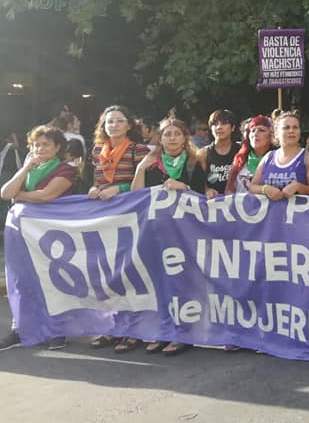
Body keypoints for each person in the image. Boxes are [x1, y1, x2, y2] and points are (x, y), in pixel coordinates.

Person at [0, 125, 77, 352]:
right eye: (36, 145)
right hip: (23, 235)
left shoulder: (66, 170)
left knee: (52, 282)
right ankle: (20, 328)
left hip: (53, 236)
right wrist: (24, 169)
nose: (40, 148)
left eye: (46, 144)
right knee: (21, 281)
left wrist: (20, 196)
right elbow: (5, 193)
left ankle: (57, 330)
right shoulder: (30, 168)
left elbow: (46, 196)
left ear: (57, 147)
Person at [130, 118, 202, 356]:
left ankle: (184, 333)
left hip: (185, 234)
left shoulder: (194, 162)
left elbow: (204, 198)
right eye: (167, 134)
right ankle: (164, 331)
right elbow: (136, 196)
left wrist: (183, 187)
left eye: (177, 134)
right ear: (159, 139)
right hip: (156, 232)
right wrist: (141, 168)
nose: (172, 138)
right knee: (159, 284)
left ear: (185, 138)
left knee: (183, 283)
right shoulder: (151, 164)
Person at [87, 104, 151, 353]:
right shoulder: (97, 150)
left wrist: (120, 189)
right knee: (110, 275)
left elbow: (143, 187)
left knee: (132, 273)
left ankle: (135, 330)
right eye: (109, 121)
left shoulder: (139, 149)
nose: (113, 125)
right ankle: (113, 328)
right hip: (106, 218)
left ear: (129, 125)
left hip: (132, 218)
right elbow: (98, 179)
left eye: (118, 121)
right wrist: (94, 188)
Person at [249, 111, 309, 200]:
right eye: (286, 127)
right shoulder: (268, 157)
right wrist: (265, 189)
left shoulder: (308, 158)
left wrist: (298, 187)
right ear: (276, 133)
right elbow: (252, 186)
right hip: (270, 213)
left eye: (295, 127)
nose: (291, 131)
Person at [195, 109, 240, 198]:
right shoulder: (203, 153)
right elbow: (198, 181)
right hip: (213, 204)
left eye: (224, 123)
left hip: (238, 202)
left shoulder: (241, 150)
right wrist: (206, 190)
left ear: (233, 127)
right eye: (215, 124)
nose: (219, 127)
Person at [226, 116, 275, 194]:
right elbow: (229, 190)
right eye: (252, 130)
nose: (255, 134)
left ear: (272, 136)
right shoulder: (240, 159)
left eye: (261, 130)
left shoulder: (278, 159)